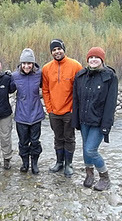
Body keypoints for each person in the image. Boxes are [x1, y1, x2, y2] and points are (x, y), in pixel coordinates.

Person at [72, 47, 118, 191]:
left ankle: (105, 178)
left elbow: (111, 104)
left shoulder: (110, 77)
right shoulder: (81, 75)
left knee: (91, 150)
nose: (93, 60)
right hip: (84, 119)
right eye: (91, 57)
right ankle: (89, 174)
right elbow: (76, 99)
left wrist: (106, 125)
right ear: (87, 59)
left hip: (99, 121)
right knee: (85, 149)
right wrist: (76, 120)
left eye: (96, 58)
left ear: (102, 60)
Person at [42, 39, 82, 177]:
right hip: (54, 111)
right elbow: (45, 90)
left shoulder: (75, 66)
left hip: (70, 111)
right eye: (54, 50)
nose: (57, 51)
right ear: (51, 52)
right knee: (58, 137)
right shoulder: (46, 68)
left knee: (69, 138)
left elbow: (80, 90)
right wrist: (49, 108)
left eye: (59, 48)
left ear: (64, 49)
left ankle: (68, 164)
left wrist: (74, 109)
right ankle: (59, 162)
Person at [11, 48, 45, 175]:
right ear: (20, 64)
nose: (26, 66)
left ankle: (34, 163)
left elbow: (47, 86)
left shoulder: (39, 74)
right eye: (24, 63)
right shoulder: (14, 76)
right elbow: (8, 89)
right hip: (21, 115)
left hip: (36, 114)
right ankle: (25, 163)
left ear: (33, 64)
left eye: (29, 63)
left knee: (35, 141)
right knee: (23, 142)